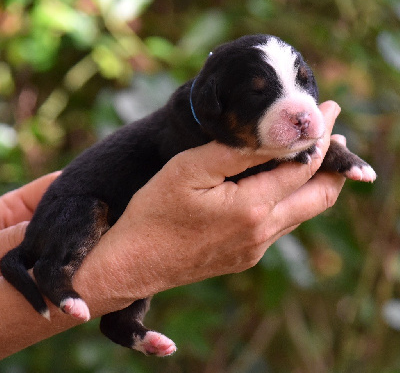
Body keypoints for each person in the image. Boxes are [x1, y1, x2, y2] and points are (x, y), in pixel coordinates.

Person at [0, 101, 344, 359]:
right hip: (77, 210)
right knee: (83, 218)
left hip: (86, 196)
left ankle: (123, 326)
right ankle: (56, 281)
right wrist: (123, 270)